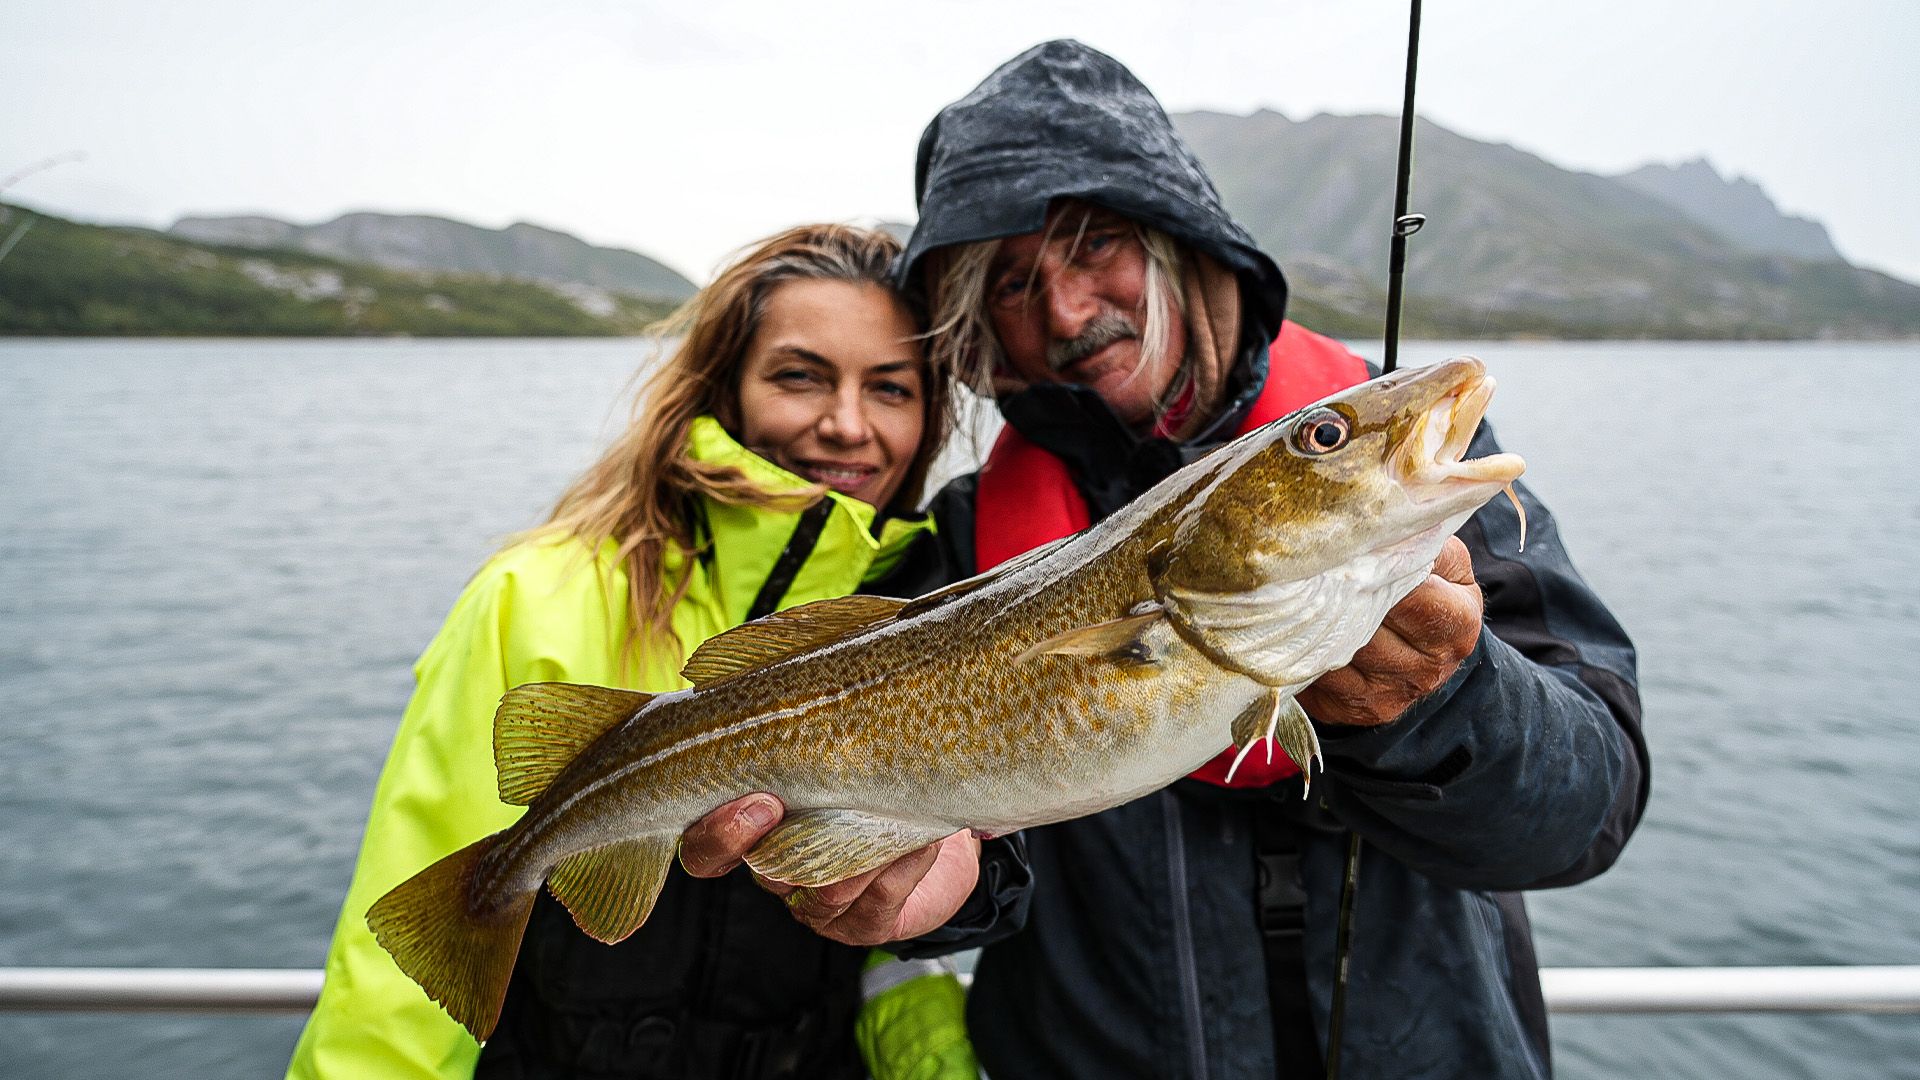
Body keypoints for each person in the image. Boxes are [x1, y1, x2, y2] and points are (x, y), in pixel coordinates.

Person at [686, 40, 1649, 1080]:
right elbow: (974, 869)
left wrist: (1448, 704)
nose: (1064, 309)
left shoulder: (1407, 490)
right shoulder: (967, 542)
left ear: (1184, 238)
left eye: (1097, 244)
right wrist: (939, 898)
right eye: (1011, 282)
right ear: (981, 329)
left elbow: (1588, 813)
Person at [286, 224, 981, 1080]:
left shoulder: (920, 618)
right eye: (800, 376)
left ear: (930, 414)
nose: (846, 424)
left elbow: (895, 928)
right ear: (720, 386)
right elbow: (403, 969)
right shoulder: (533, 596)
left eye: (891, 388)